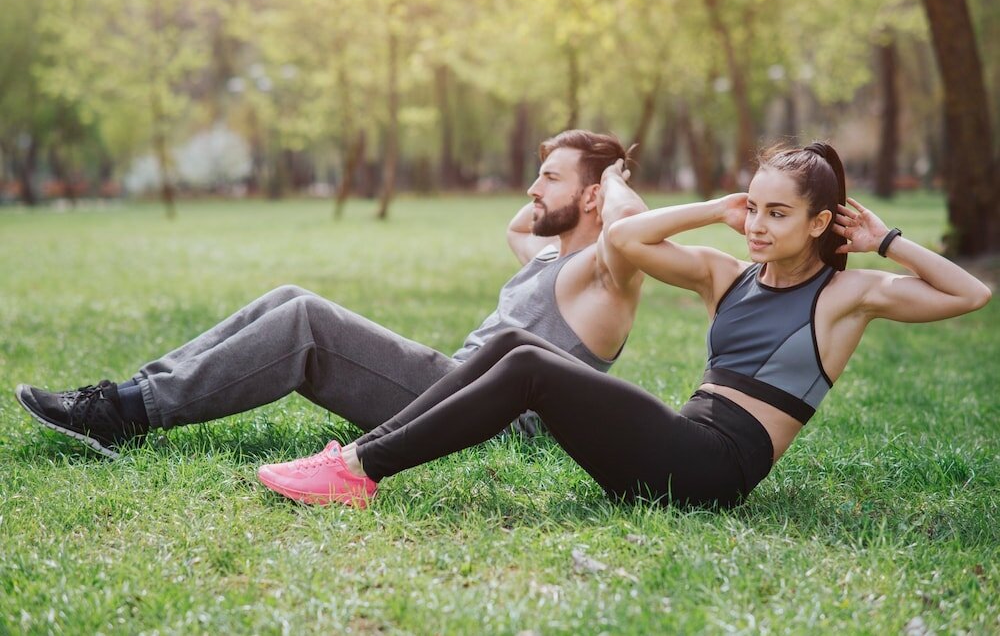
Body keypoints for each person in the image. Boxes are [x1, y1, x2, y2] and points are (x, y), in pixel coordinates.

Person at [256, 142, 991, 510]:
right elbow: (624, 242)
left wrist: (885, 239)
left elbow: (970, 293)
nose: (759, 227)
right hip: (679, 442)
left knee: (529, 367)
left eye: (779, 213)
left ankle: (357, 472)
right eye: (755, 209)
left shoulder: (844, 296)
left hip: (714, 468)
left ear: (822, 221)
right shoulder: (726, 274)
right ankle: (357, 456)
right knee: (519, 343)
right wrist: (715, 208)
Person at [15, 130, 647, 459]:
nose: (534, 187)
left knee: (307, 323)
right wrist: (562, 178)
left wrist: (611, 178)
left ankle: (124, 414)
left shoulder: (604, 275)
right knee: (289, 295)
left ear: (593, 197)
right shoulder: (548, 255)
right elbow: (518, 223)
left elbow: (628, 222)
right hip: (454, 384)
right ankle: (131, 393)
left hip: (491, 418)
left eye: (550, 176)